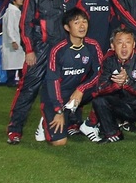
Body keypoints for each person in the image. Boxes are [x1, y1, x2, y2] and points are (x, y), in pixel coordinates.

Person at [7, 0, 68, 144]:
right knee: (28, 89)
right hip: (40, 49)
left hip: (60, 50)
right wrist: (29, 50)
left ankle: (50, 126)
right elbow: (25, 23)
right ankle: (14, 130)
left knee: (57, 90)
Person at [41, 8, 104, 146]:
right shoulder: (58, 50)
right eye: (76, 22)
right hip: (56, 96)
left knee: (107, 87)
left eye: (84, 21)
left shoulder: (93, 45)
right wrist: (58, 110)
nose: (82, 26)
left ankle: (89, 124)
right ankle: (46, 119)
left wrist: (82, 88)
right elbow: (52, 81)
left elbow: (100, 73)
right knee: (60, 142)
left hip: (77, 92)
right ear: (67, 27)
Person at [89, 28, 136, 143]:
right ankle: (112, 133)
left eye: (128, 42)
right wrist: (116, 85)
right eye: (120, 43)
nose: (124, 46)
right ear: (113, 46)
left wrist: (127, 82)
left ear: (133, 45)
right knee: (98, 101)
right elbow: (100, 88)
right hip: (120, 104)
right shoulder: (108, 59)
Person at [2, 0, 25, 86]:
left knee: (18, 62)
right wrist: (13, 40)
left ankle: (20, 80)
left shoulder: (15, 11)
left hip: (18, 39)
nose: (21, 0)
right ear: (14, 1)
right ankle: (11, 81)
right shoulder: (11, 12)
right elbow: (9, 27)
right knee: (13, 62)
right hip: (15, 40)